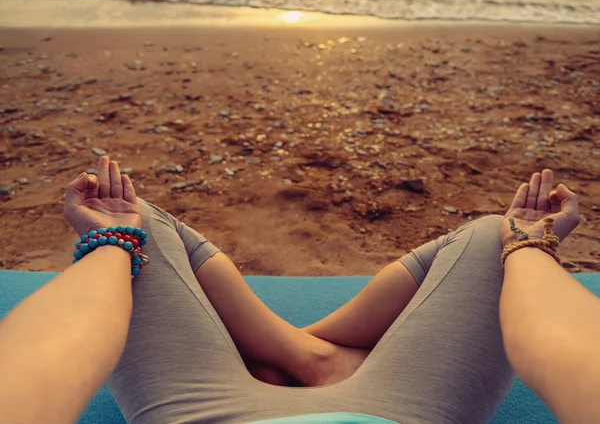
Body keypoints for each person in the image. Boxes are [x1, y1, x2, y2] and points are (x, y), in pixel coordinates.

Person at [0, 155, 597, 424]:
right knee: (500, 236)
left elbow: (46, 359)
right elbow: (568, 349)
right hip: (402, 412)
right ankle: (311, 356)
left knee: (136, 222)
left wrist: (111, 244)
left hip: (202, 414)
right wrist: (531, 246)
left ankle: (299, 352)